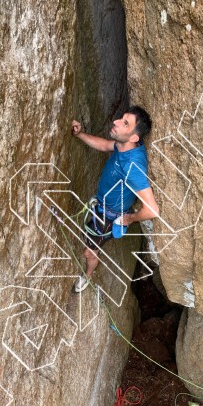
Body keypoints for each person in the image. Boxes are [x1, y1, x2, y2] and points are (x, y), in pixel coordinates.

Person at [71, 106, 159, 293]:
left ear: (134, 137)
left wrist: (127, 219)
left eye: (125, 123)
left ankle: (87, 275)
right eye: (121, 118)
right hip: (103, 207)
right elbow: (104, 145)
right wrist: (80, 135)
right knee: (89, 238)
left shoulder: (132, 166)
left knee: (88, 251)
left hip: (110, 218)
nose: (116, 122)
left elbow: (152, 210)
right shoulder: (124, 145)